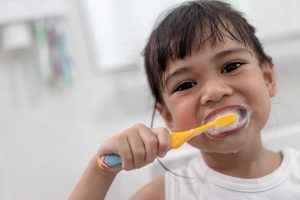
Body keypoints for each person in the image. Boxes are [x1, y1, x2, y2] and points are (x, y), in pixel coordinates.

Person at [69, 1, 300, 199]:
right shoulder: (167, 194)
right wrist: (101, 170)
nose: (214, 93)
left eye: (231, 66)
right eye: (186, 85)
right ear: (168, 116)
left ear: (268, 78)